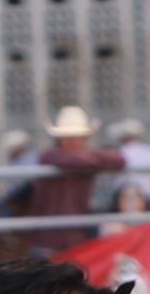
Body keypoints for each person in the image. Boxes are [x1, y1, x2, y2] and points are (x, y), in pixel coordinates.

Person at [28, 106, 126, 254]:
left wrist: (89, 159)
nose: (73, 140)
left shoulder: (54, 157)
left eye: (77, 136)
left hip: (74, 237)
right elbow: (109, 160)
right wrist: (93, 160)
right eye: (67, 136)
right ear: (58, 138)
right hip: (50, 240)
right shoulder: (49, 156)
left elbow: (119, 160)